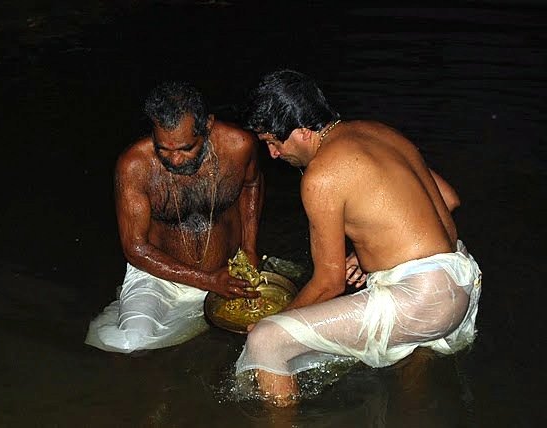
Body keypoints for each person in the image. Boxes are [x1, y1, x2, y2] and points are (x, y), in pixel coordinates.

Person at [235, 69, 482, 407]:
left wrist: (278, 319)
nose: (274, 155)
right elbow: (449, 199)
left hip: (423, 300)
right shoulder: (379, 132)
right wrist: (370, 249)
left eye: (272, 142)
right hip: (461, 281)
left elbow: (328, 283)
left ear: (302, 132)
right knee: (408, 365)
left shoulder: (320, 176)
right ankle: (415, 409)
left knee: (267, 341)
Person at [85, 81, 264, 353]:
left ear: (207, 126)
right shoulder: (134, 166)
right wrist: (209, 281)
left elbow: (252, 185)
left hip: (227, 273)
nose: (175, 160)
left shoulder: (239, 146)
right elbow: (135, 248)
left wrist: (249, 249)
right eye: (163, 149)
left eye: (185, 148)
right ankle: (130, 306)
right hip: (158, 281)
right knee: (130, 344)